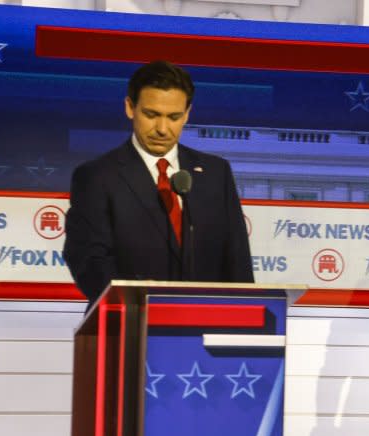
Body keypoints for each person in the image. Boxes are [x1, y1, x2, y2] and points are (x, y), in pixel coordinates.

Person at [63, 60, 254, 304]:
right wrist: (138, 302)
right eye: (151, 115)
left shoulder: (216, 173)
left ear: (187, 114)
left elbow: (237, 261)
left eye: (174, 117)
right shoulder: (97, 177)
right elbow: (88, 261)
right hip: (130, 326)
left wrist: (245, 318)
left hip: (206, 327)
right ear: (130, 108)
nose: (162, 129)